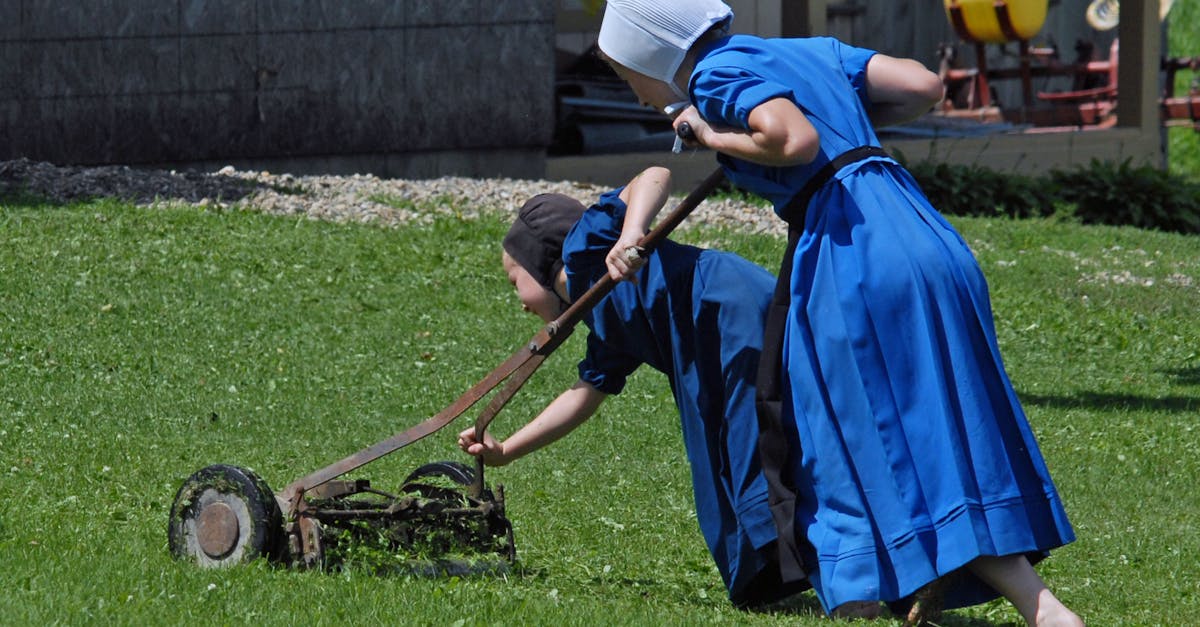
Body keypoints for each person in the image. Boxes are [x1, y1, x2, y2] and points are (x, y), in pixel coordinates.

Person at [594, 2, 1083, 626]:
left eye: (624, 73)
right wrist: (837, 108)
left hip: (852, 249)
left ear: (649, 54)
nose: (633, 93)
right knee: (933, 421)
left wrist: (706, 131)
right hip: (920, 231)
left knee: (838, 428)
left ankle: (1030, 608)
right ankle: (895, 585)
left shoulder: (713, 75)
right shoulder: (804, 53)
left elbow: (793, 140)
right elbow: (922, 87)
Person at [458, 166, 803, 608]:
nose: (520, 301)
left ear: (537, 259)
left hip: (729, 313)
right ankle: (770, 577)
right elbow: (582, 397)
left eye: (514, 282)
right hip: (704, 350)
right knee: (717, 461)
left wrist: (631, 232)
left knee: (747, 444)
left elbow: (655, 174)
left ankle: (816, 559)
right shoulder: (602, 322)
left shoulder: (588, 247)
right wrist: (506, 451)